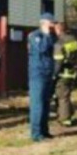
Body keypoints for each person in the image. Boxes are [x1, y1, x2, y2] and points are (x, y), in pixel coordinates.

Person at [28, 13, 56, 142]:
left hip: (47, 73)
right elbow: (42, 49)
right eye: (51, 23)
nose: (53, 25)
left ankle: (45, 131)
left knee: (45, 104)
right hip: (37, 74)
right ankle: (36, 133)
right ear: (45, 23)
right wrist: (46, 34)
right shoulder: (35, 36)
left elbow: (54, 45)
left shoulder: (50, 36)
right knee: (37, 104)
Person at [53, 21, 77, 127]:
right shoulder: (73, 39)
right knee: (67, 95)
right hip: (73, 72)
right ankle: (71, 115)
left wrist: (54, 74)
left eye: (55, 29)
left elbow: (58, 62)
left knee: (62, 96)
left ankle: (65, 119)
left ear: (59, 30)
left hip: (63, 73)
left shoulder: (59, 43)